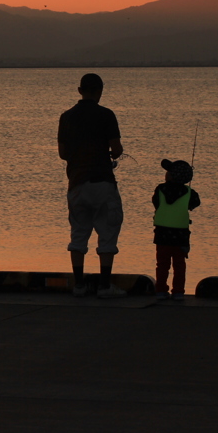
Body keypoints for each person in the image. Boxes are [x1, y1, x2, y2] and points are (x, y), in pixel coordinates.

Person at [57, 73, 125, 298]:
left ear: (79, 90)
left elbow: (63, 154)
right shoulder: (107, 115)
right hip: (103, 182)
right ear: (100, 90)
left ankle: (79, 286)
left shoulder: (66, 117)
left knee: (78, 235)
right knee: (107, 233)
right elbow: (116, 149)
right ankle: (105, 287)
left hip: (76, 184)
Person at [152, 159, 201, 301]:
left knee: (162, 264)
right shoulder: (189, 192)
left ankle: (161, 290)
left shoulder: (160, 189)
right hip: (181, 235)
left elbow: (156, 202)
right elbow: (195, 203)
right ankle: (178, 292)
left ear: (171, 175)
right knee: (179, 264)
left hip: (161, 235)